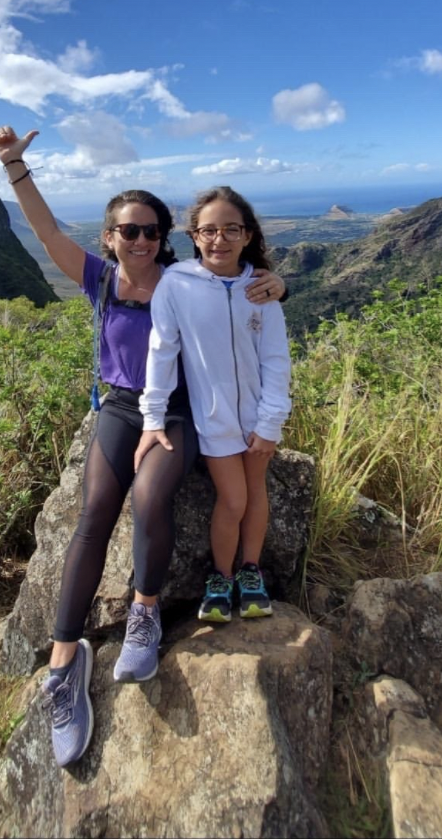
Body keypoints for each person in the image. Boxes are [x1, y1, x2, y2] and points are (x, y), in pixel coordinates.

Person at [0, 125, 286, 767]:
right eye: (130, 230)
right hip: (121, 408)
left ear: (165, 237)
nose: (142, 240)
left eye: (152, 230)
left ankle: (143, 612)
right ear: (111, 238)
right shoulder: (98, 278)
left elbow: (238, 283)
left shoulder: (182, 279)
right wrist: (14, 165)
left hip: (177, 412)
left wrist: (277, 283)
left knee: (150, 499)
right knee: (94, 513)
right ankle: (65, 661)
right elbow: (45, 234)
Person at [135, 185, 292, 625]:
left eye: (230, 229)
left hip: (260, 418)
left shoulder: (260, 288)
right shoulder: (176, 285)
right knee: (234, 499)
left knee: (255, 494)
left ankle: (250, 572)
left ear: (247, 235)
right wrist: (153, 417)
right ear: (194, 235)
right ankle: (221, 576)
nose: (219, 239)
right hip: (214, 420)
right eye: (209, 230)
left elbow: (276, 358)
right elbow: (162, 352)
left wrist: (272, 421)